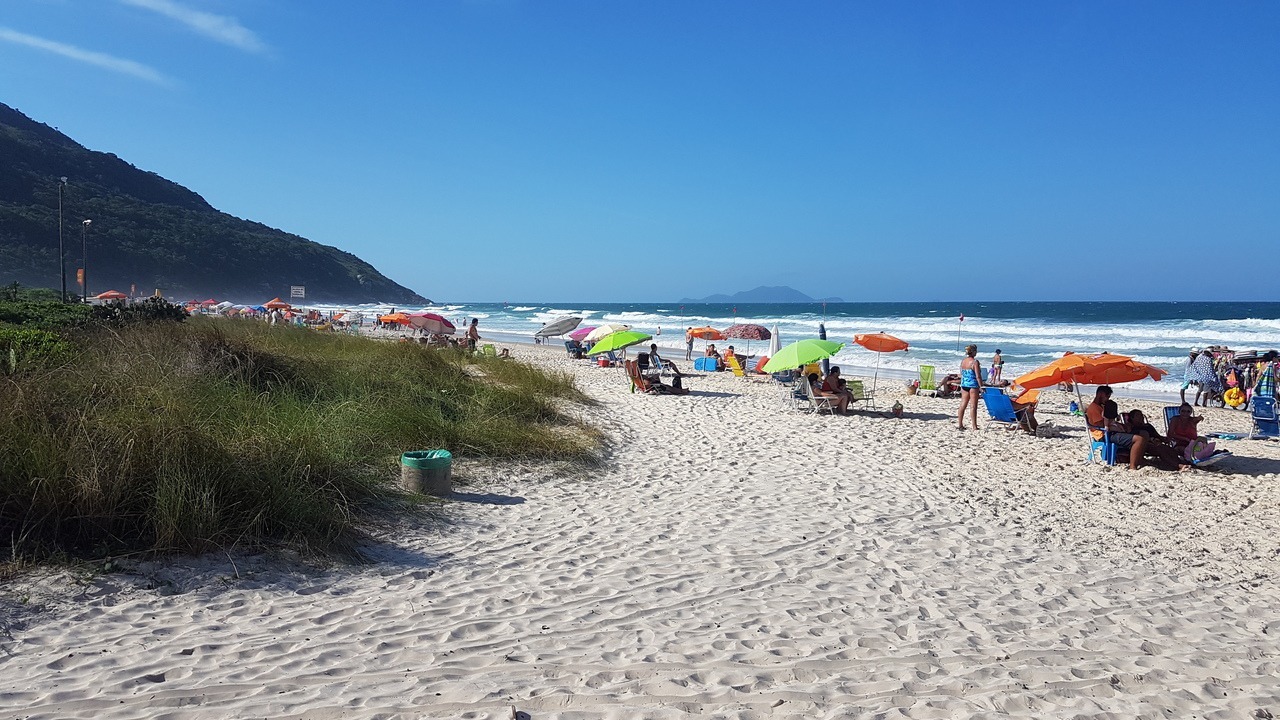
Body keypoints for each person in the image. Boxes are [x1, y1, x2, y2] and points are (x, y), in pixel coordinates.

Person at [1086, 386, 1180, 470]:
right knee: (1139, 438)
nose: (1107, 399)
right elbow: (1101, 425)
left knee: (1144, 434)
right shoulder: (1094, 408)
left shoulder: (1102, 407)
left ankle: (1140, 457)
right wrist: (1114, 423)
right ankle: (1133, 465)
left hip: (1112, 431)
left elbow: (1110, 421)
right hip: (1104, 434)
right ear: (1100, 394)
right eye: (1107, 396)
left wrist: (1120, 425)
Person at [957, 344, 983, 430]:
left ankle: (960, 424)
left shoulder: (963, 361)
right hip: (973, 385)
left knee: (963, 404)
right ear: (974, 352)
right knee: (973, 406)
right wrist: (981, 387)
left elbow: (962, 373)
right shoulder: (975, 362)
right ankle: (974, 426)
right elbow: (978, 376)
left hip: (964, 384)